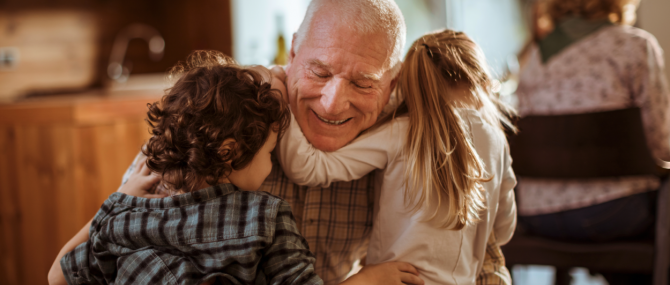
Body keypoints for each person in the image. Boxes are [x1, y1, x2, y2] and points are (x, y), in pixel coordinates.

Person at [119, 1, 512, 284]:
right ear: (292, 53)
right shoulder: (227, 112)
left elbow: (487, 248)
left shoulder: (411, 131)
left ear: (391, 85)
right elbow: (122, 246)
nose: (332, 102)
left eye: (362, 82)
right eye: (319, 72)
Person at [47, 51, 324, 285]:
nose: (271, 164)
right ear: (229, 151)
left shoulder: (125, 220)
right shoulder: (265, 216)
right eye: (269, 152)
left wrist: (118, 200)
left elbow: (56, 277)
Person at [277, 30, 518, 285]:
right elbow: (503, 230)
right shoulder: (496, 141)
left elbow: (305, 167)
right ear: (480, 79)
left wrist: (279, 95)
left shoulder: (402, 130)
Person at [515, 0, 670, 283]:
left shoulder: (532, 57)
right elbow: (660, 145)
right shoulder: (635, 45)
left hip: (536, 215)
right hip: (612, 214)